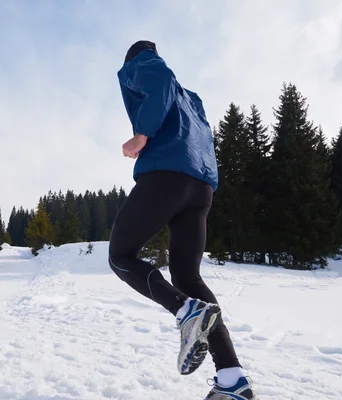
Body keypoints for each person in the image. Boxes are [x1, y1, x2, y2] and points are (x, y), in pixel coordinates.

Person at [108, 40, 258, 400]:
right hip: (201, 187)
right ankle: (231, 378)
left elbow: (157, 81)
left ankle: (183, 310)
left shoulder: (145, 65)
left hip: (167, 176)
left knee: (120, 255)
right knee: (188, 276)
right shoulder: (192, 98)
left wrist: (141, 134)